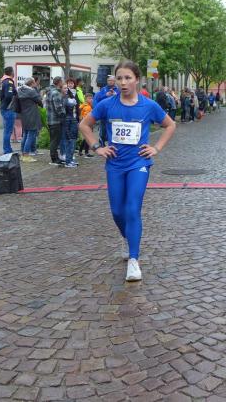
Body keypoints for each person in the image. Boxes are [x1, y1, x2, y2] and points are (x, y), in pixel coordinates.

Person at [78, 59, 176, 282]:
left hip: (138, 163)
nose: (123, 82)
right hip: (115, 164)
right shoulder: (107, 105)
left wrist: (156, 148)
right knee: (117, 211)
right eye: (119, 78)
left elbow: (170, 125)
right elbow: (84, 125)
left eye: (128, 78)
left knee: (132, 208)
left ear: (137, 80)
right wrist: (97, 147)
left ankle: (133, 260)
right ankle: (127, 237)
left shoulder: (148, 105)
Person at [18, 78, 43, 162]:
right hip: (32, 115)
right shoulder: (32, 91)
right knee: (31, 135)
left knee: (25, 134)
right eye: (34, 82)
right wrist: (36, 90)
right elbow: (39, 100)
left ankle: (23, 154)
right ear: (32, 83)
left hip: (24, 115)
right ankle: (26, 155)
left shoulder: (20, 90)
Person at [46, 76, 66, 166]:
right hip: (56, 120)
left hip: (50, 119)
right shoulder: (56, 93)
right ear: (59, 82)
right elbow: (58, 108)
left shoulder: (49, 91)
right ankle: (54, 159)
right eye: (62, 81)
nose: (63, 83)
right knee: (55, 140)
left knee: (53, 140)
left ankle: (54, 157)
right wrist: (63, 115)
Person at [94, 75, 117, 145]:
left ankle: (112, 144)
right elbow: (98, 99)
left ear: (115, 81)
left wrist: (115, 95)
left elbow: (121, 99)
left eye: (112, 80)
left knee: (113, 129)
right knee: (103, 129)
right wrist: (106, 95)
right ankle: (102, 143)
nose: (110, 82)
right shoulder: (103, 89)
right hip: (104, 113)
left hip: (114, 113)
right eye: (109, 80)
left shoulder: (118, 89)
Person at [0, 67, 17, 154]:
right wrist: (10, 105)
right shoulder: (9, 82)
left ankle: (8, 149)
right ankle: (7, 150)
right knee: (8, 131)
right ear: (11, 72)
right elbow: (9, 96)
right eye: (13, 71)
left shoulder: (3, 81)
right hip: (8, 109)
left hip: (5, 108)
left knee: (7, 130)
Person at [63, 78, 80, 168]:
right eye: (65, 87)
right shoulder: (64, 97)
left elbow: (77, 107)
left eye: (71, 83)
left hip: (73, 118)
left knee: (73, 139)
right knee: (69, 139)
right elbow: (63, 109)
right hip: (67, 119)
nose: (68, 88)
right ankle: (68, 161)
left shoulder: (74, 94)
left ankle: (70, 159)